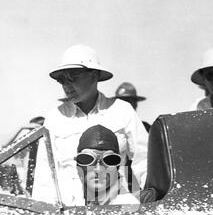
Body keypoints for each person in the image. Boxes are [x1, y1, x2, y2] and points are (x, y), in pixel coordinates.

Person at [44, 44, 148, 206]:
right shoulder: (54, 118)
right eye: (61, 79)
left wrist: (147, 202)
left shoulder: (122, 111)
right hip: (68, 212)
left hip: (116, 208)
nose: (66, 85)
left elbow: (145, 161)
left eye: (73, 77)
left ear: (94, 75)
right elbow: (44, 173)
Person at [76, 125, 140, 205]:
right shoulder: (68, 199)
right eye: (87, 159)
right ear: (78, 165)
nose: (98, 170)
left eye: (109, 161)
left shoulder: (128, 205)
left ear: (117, 166)